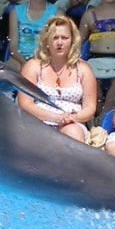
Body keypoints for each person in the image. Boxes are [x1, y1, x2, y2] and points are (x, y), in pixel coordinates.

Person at [18, 15, 99, 143]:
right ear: (46, 40)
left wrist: (72, 118)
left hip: (72, 123)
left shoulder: (83, 69)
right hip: (38, 121)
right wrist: (56, 117)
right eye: (55, 38)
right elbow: (25, 103)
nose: (59, 43)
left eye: (64, 38)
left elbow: (90, 107)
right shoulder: (33, 66)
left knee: (73, 133)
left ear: (72, 40)